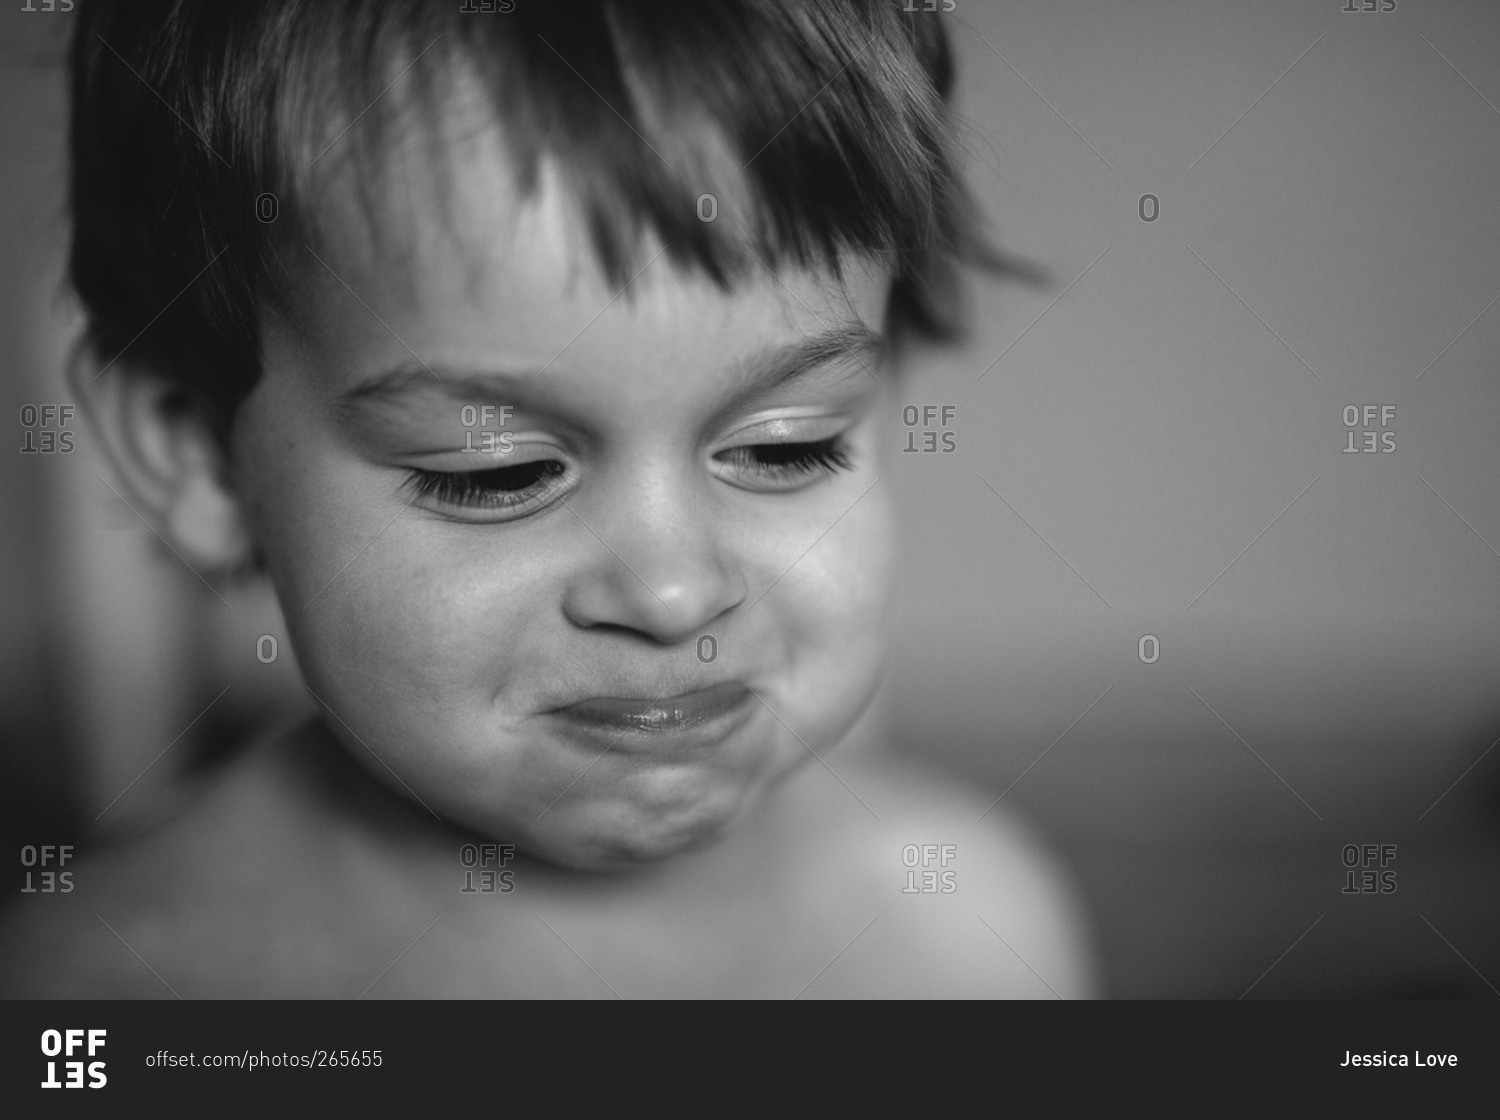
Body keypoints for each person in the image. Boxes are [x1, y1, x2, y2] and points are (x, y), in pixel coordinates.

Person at [0, 0, 1097, 997]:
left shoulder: (962, 936)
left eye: (785, 446)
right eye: (502, 472)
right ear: (194, 448)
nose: (672, 593)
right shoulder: (107, 991)